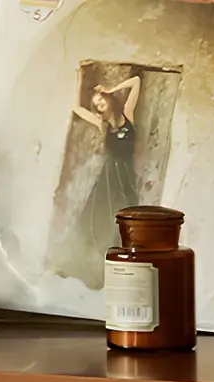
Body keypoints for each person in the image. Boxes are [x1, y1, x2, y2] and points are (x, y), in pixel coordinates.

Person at [70, 71, 142, 252]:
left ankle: (126, 247)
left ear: (109, 98)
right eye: (96, 104)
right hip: (109, 174)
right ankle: (102, 251)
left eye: (101, 99)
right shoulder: (101, 124)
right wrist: (80, 79)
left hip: (125, 172)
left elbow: (136, 81)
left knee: (128, 209)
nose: (100, 104)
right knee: (105, 211)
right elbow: (76, 108)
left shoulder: (127, 115)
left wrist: (111, 88)